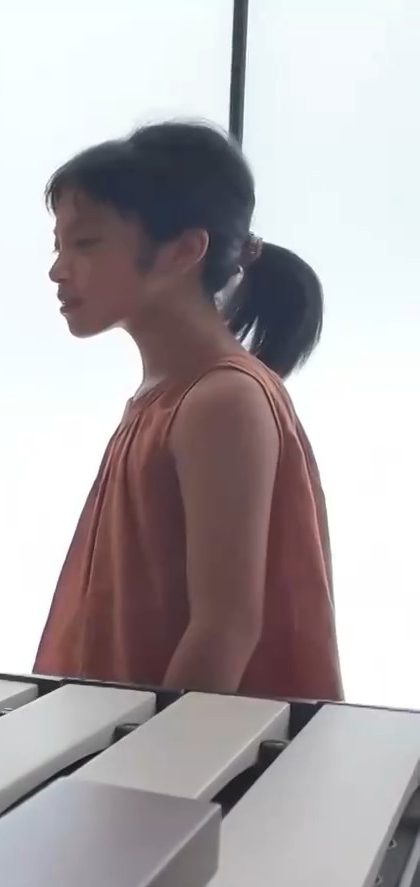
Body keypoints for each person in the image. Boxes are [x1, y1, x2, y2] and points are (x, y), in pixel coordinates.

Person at [33, 120, 341, 700]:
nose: (58, 268)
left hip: (195, 751)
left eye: (86, 243)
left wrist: (153, 751)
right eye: (58, 245)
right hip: (134, 734)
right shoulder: (169, 395)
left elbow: (225, 630)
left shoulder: (222, 399)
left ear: (183, 251)